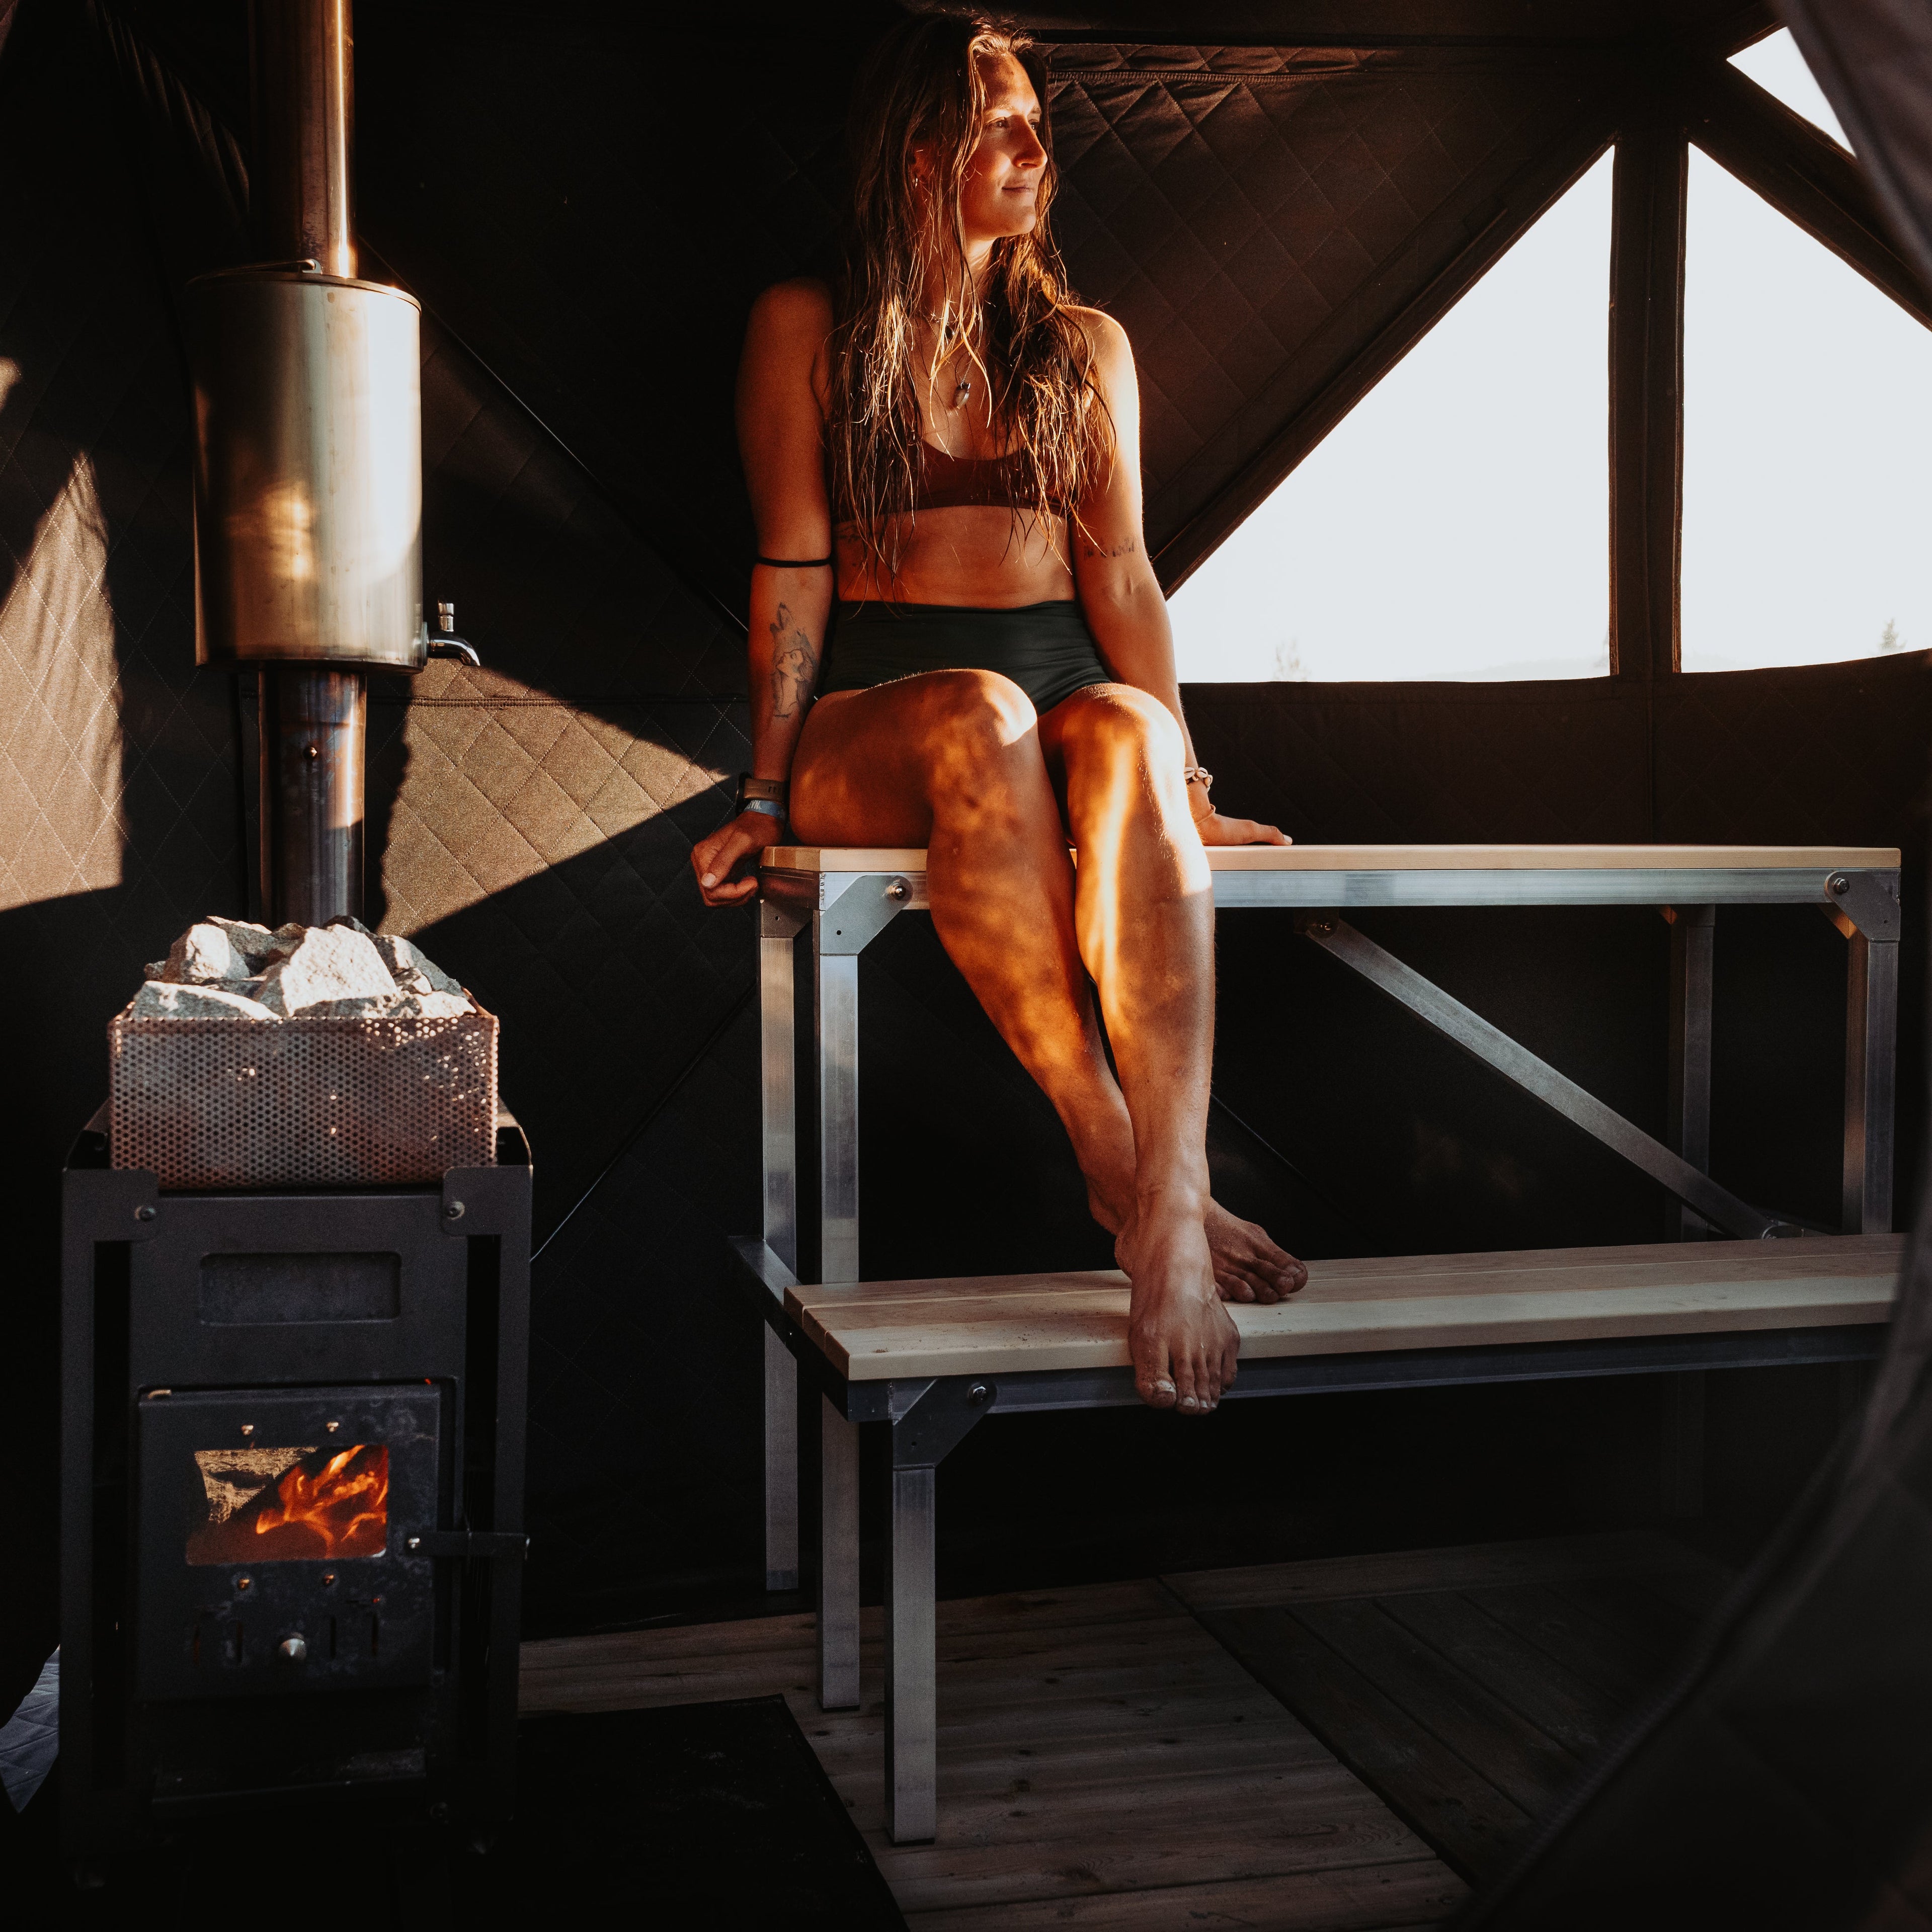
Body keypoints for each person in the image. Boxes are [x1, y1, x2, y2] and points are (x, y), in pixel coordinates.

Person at [691, 14, 1307, 1415]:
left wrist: (1189, 776)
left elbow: (1124, 575)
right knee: (975, 711)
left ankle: (1169, 1199)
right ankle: (1118, 1161)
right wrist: (765, 793)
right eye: (1004, 127)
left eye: (1038, 126)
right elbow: (791, 568)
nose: (1039, 151)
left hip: (1063, 686)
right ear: (921, 156)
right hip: (882, 711)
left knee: (1135, 738)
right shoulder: (808, 328)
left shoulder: (1083, 347)